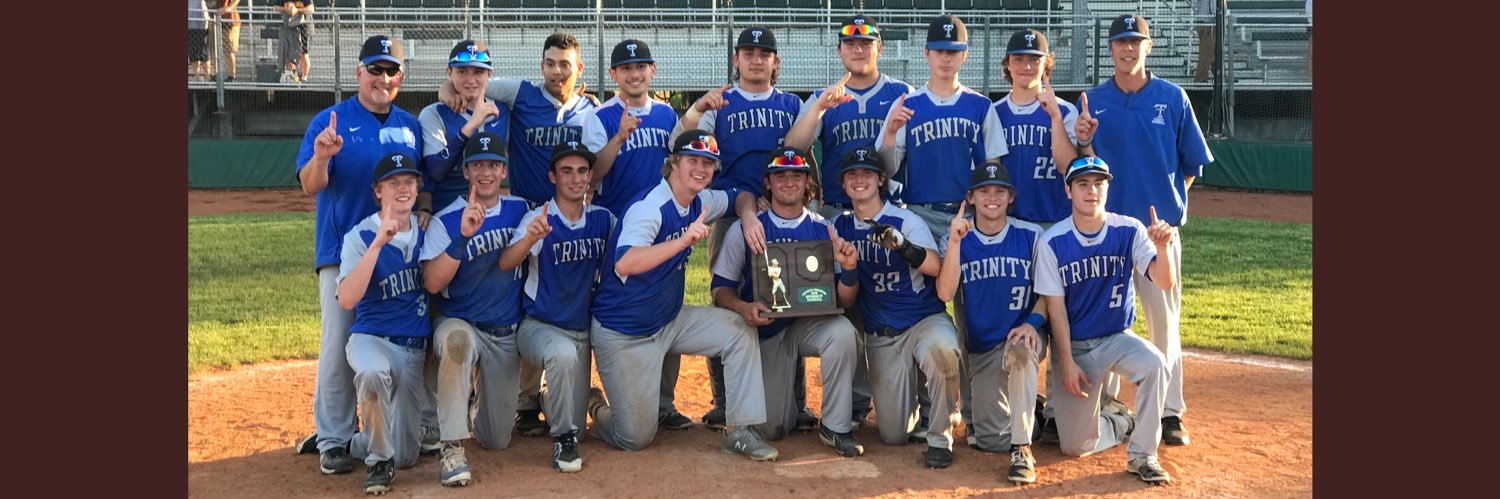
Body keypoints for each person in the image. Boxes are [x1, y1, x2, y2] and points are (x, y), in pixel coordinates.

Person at [585, 130, 776, 460]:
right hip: (624, 332)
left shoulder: (699, 200)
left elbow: (741, 194)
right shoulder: (651, 207)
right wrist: (683, 241)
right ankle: (595, 403)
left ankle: (742, 430)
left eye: (708, 163)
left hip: (669, 320)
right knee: (633, 437)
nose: (701, 169)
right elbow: (626, 261)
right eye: (693, 160)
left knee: (738, 330)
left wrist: (747, 216)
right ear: (673, 162)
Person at [1073, 14, 1214, 448]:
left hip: (1155, 234)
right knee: (1105, 319)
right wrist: (1081, 138)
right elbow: (1083, 164)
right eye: (1121, 43)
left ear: (1148, 47)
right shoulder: (1092, 101)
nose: (1128, 49)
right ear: (1111, 49)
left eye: (1136, 42)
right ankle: (1109, 404)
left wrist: (1168, 210)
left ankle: (1170, 412)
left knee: (1162, 322)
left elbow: (1190, 166)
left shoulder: (1172, 98)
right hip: (1108, 232)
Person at [291, 35, 424, 478]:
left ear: (399, 78)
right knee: (338, 347)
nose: (382, 78)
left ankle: (393, 431)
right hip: (343, 250)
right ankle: (333, 438)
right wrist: (322, 157)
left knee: (402, 340)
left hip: (403, 253)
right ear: (358, 74)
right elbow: (309, 185)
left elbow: (423, 186)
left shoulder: (410, 124)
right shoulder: (331, 121)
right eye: (374, 69)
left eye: (390, 70)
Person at [782, 14, 913, 432]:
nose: (859, 49)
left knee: (903, 297)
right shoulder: (827, 95)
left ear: (880, 48)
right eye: (850, 44)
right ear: (839, 50)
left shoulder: (900, 93)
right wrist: (820, 105)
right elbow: (793, 147)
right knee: (849, 303)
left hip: (887, 211)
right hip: (838, 212)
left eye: (867, 42)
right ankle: (855, 404)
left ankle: (918, 399)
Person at [676, 26, 803, 430]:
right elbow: (681, 140)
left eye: (764, 52)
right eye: (747, 52)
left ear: (775, 62)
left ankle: (796, 402)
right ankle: (723, 399)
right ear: (736, 60)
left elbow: (803, 160)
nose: (756, 58)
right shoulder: (721, 102)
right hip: (730, 211)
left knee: (792, 299)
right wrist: (697, 109)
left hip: (780, 209)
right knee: (724, 296)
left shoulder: (790, 104)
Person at [708, 147, 864, 457]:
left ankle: (835, 426)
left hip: (807, 325)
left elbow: (843, 300)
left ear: (808, 182)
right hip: (767, 330)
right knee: (773, 428)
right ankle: (790, 398)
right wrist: (743, 308)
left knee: (843, 331)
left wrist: (849, 271)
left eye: (797, 175)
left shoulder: (823, 228)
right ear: (767, 182)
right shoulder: (748, 228)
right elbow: (719, 289)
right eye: (781, 176)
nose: (789, 182)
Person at [1033, 156, 1175, 484]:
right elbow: (1056, 311)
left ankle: (1143, 455)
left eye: (1099, 183)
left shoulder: (1128, 229)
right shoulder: (1053, 241)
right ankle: (1120, 420)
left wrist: (1163, 248)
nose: (1092, 190)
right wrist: (1066, 362)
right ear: (1069, 191)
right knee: (1074, 447)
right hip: (1077, 347)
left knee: (1155, 363)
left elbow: (1163, 281)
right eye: (1083, 184)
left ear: (1107, 188)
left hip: (1116, 338)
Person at [829, 145, 961, 469]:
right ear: (844, 183)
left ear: (881, 179)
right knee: (894, 435)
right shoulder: (840, 229)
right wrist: (847, 267)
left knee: (941, 351)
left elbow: (934, 266)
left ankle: (940, 436)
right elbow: (845, 300)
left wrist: (902, 245)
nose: (860, 179)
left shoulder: (905, 219)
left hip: (923, 320)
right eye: (852, 174)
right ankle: (919, 392)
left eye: (867, 173)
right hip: (882, 335)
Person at [417, 132, 532, 487]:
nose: (485, 172)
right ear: (465, 172)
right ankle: (450, 444)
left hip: (503, 331)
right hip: (459, 321)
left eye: (493, 165)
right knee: (457, 344)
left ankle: (469, 410)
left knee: (497, 440)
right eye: (477, 165)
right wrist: (463, 235)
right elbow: (433, 283)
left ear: (503, 171)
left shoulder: (520, 210)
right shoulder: (446, 219)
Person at [499, 141, 617, 472]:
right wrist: (528, 239)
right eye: (566, 171)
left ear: (591, 176)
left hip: (582, 331)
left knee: (576, 411)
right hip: (540, 327)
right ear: (553, 176)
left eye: (582, 171)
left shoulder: (603, 220)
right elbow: (506, 263)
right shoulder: (537, 218)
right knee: (562, 362)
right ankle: (563, 439)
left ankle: (564, 403)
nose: (575, 178)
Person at [934, 161, 1049, 484]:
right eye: (984, 191)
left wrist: (1032, 323)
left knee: (1022, 353)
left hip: (1022, 334)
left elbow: (1048, 294)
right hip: (983, 347)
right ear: (971, 197)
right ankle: (1033, 411)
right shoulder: (957, 237)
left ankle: (1023, 449)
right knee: (989, 440)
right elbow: (944, 292)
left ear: (1011, 197)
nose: (992, 198)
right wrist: (955, 244)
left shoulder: (1031, 236)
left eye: (1000, 191)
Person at [334, 152, 431, 495]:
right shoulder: (359, 236)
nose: (402, 189)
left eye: (409, 181)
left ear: (418, 187)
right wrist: (377, 244)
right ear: (378, 190)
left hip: (414, 349)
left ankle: (355, 443)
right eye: (393, 183)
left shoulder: (428, 230)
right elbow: (347, 299)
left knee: (406, 455)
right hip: (371, 339)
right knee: (372, 373)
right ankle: (377, 460)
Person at [876, 13, 1008, 243]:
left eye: (953, 51)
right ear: (926, 52)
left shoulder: (981, 106)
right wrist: (889, 132)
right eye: (940, 51)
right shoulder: (907, 104)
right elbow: (886, 169)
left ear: (964, 54)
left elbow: (992, 168)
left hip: (968, 213)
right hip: (920, 213)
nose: (946, 58)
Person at [442, 32, 598, 207]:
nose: (556, 71)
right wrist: (447, 92)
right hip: (526, 210)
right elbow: (472, 83)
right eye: (550, 64)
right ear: (542, 66)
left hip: (572, 211)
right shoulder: (520, 93)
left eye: (565, 64)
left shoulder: (592, 110)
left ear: (579, 68)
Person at [576, 39, 676, 219]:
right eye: (626, 68)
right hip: (615, 216)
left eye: (641, 66)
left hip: (658, 215)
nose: (634, 74)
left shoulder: (667, 113)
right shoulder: (599, 116)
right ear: (613, 74)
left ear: (653, 70)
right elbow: (591, 175)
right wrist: (618, 139)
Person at [995, 29, 1081, 228]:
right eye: (1018, 59)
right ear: (1007, 64)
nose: (1026, 66)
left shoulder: (1065, 111)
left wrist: (1055, 118)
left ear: (1046, 64)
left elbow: (1067, 167)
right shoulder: (994, 112)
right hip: (1009, 223)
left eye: (1034, 59)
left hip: (1055, 220)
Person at [419, 40, 509, 211]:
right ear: (449, 72)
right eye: (462, 71)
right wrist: (470, 125)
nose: (471, 80)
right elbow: (436, 171)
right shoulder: (433, 114)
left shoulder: (503, 110)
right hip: (445, 214)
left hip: (491, 214)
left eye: (478, 71)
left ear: (489, 74)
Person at [274, 0, 314, 83]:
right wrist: (286, 9)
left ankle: (304, 78)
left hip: (304, 27)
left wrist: (297, 10)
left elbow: (311, 8)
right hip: (289, 27)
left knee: (304, 54)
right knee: (288, 54)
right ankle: (290, 77)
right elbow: (275, 7)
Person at [211, 0, 241, 81]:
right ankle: (215, 74)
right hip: (218, 22)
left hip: (230, 22)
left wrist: (229, 7)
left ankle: (232, 76)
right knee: (214, 49)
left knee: (229, 50)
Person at [1192, 0, 1216, 83]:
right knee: (1207, 52)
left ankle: (1220, 73)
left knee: (1215, 50)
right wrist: (1215, 13)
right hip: (1208, 21)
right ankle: (1201, 77)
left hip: (1207, 19)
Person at [188, 0, 211, 81]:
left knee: (204, 53)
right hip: (190, 25)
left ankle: (207, 77)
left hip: (202, 24)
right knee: (193, 53)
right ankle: (196, 78)